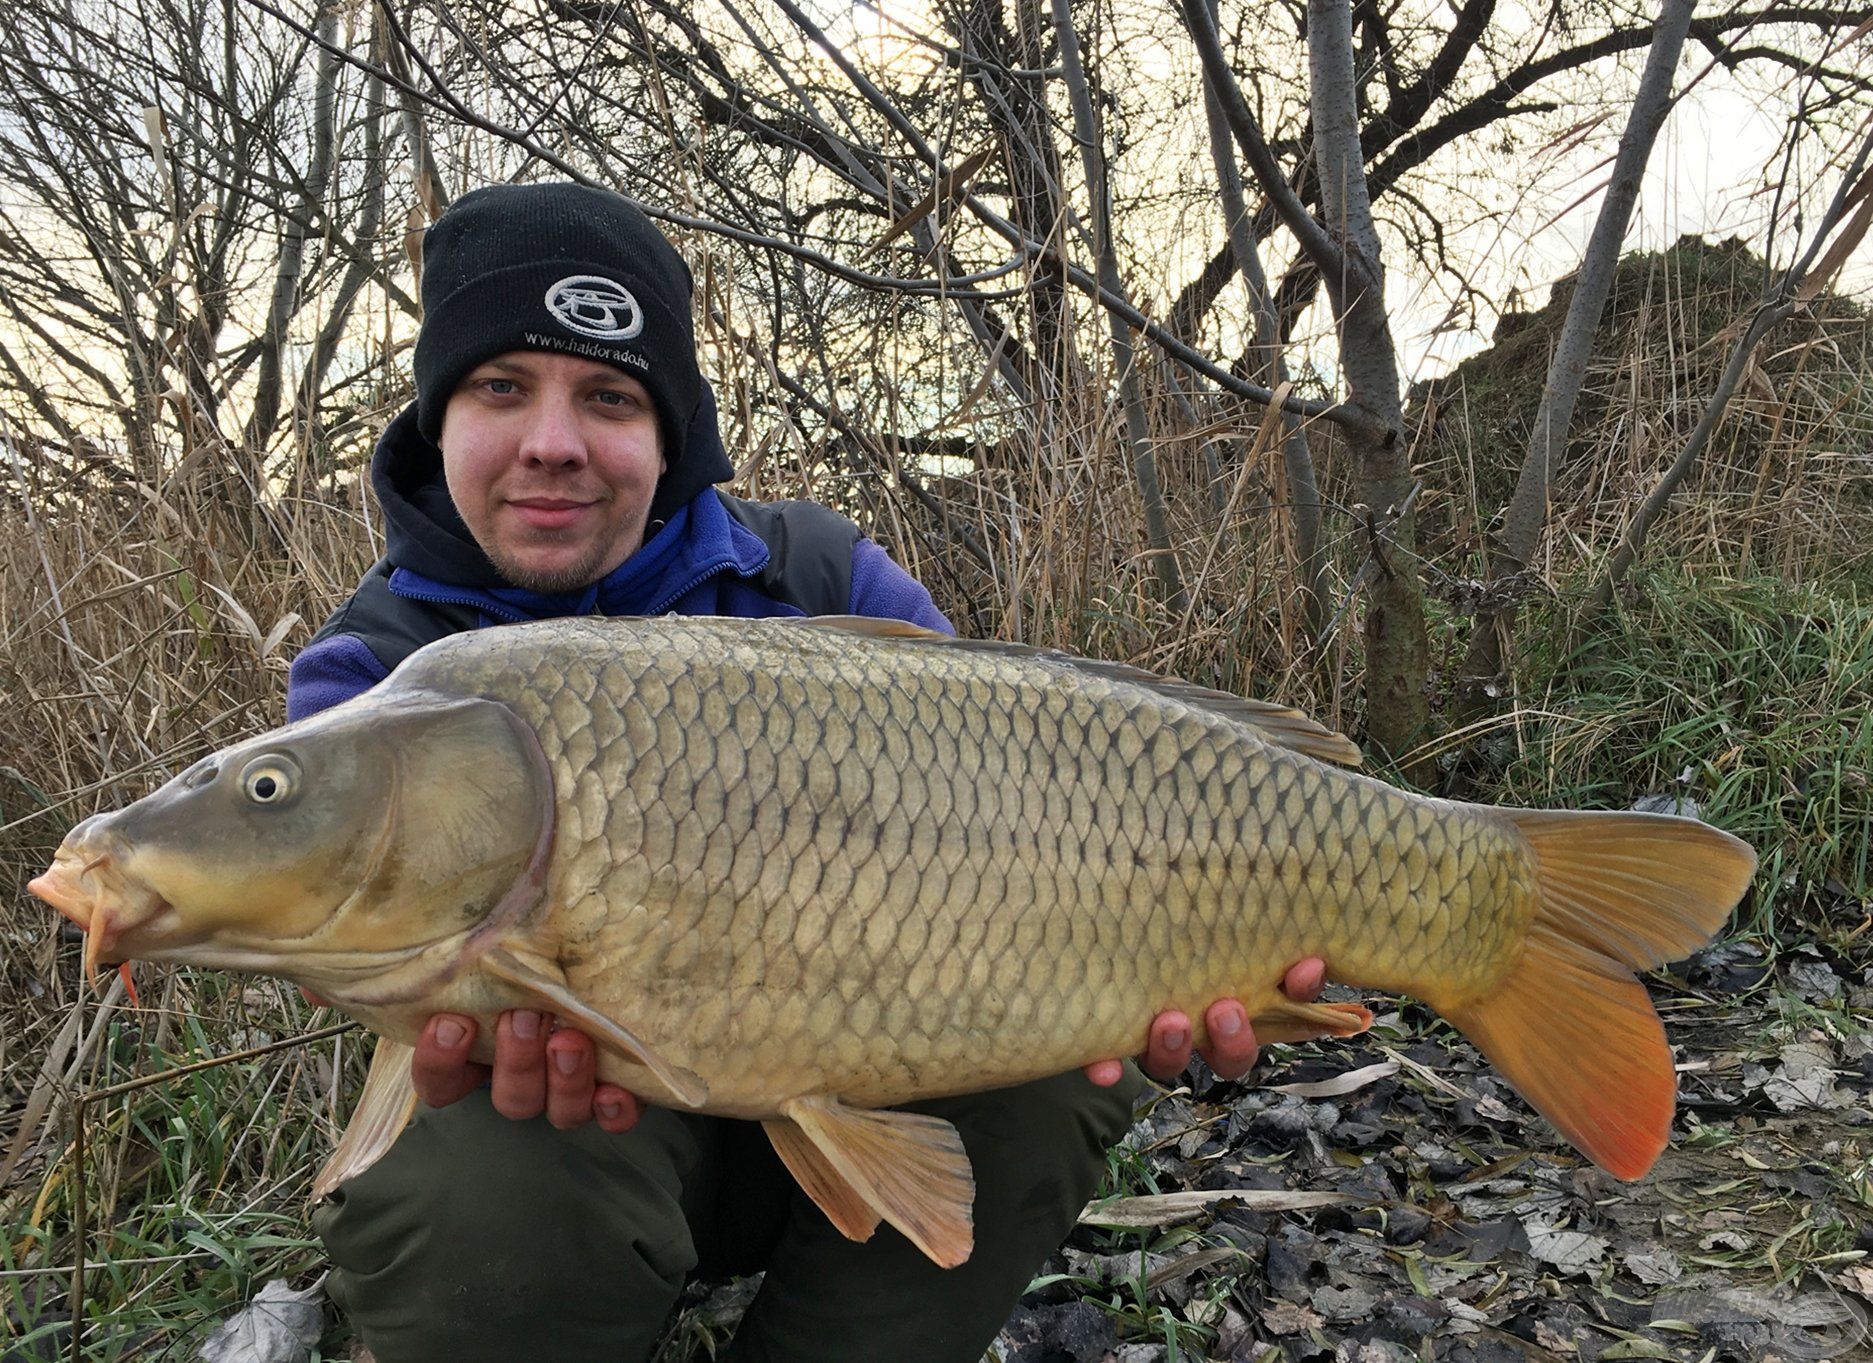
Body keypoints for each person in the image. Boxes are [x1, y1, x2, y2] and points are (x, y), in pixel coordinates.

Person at [288, 181, 1325, 1363]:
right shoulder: (377, 680)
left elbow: (1040, 803)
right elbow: (346, 959)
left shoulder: (821, 578)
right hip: (595, 1142)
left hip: (868, 1077)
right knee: (476, 1159)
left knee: (1060, 1068)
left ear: (670, 433)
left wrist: (1175, 955)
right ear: (436, 418)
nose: (554, 442)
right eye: (500, 387)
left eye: (610, 397)